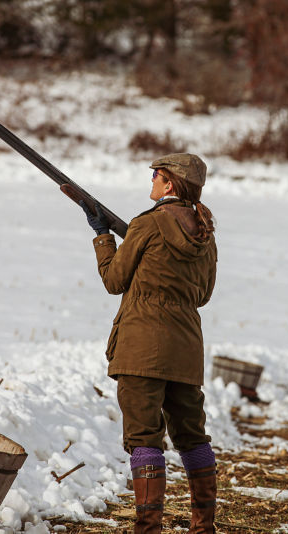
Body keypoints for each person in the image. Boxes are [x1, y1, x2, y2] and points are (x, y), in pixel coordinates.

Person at [81, 153, 218, 533]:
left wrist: (102, 236)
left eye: (157, 175)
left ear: (169, 184)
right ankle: (203, 527)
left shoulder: (147, 223)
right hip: (186, 348)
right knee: (192, 437)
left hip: (142, 347)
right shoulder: (205, 232)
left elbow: (114, 280)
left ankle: (148, 529)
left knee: (144, 440)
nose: (152, 180)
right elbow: (203, 293)